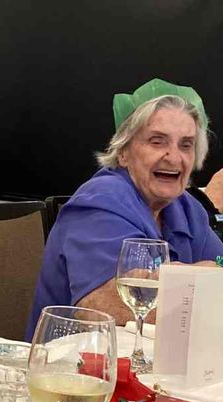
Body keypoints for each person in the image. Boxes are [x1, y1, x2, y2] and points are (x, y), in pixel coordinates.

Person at [27, 79, 223, 339]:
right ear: (123, 153)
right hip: (75, 367)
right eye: (157, 141)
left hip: (163, 364)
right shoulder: (99, 201)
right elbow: (106, 306)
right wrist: (202, 278)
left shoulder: (187, 209)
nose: (174, 157)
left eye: (186, 145)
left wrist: (187, 281)